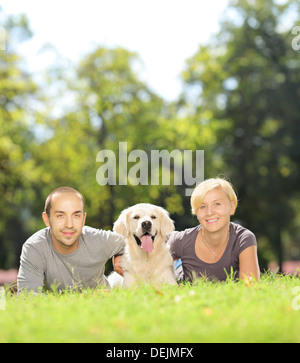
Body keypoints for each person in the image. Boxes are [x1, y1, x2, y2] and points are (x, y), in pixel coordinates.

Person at [17, 187, 125, 293]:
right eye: (60, 216)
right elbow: (27, 295)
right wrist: (86, 297)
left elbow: (131, 242)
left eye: (76, 215)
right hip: (59, 310)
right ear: (47, 219)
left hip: (104, 307)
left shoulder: (99, 240)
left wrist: (120, 255)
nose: (69, 224)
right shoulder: (35, 247)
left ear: (83, 219)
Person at [168, 178, 260, 282]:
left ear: (232, 207)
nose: (209, 212)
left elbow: (251, 286)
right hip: (178, 269)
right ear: (196, 212)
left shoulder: (243, 238)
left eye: (217, 204)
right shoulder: (181, 241)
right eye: (202, 206)